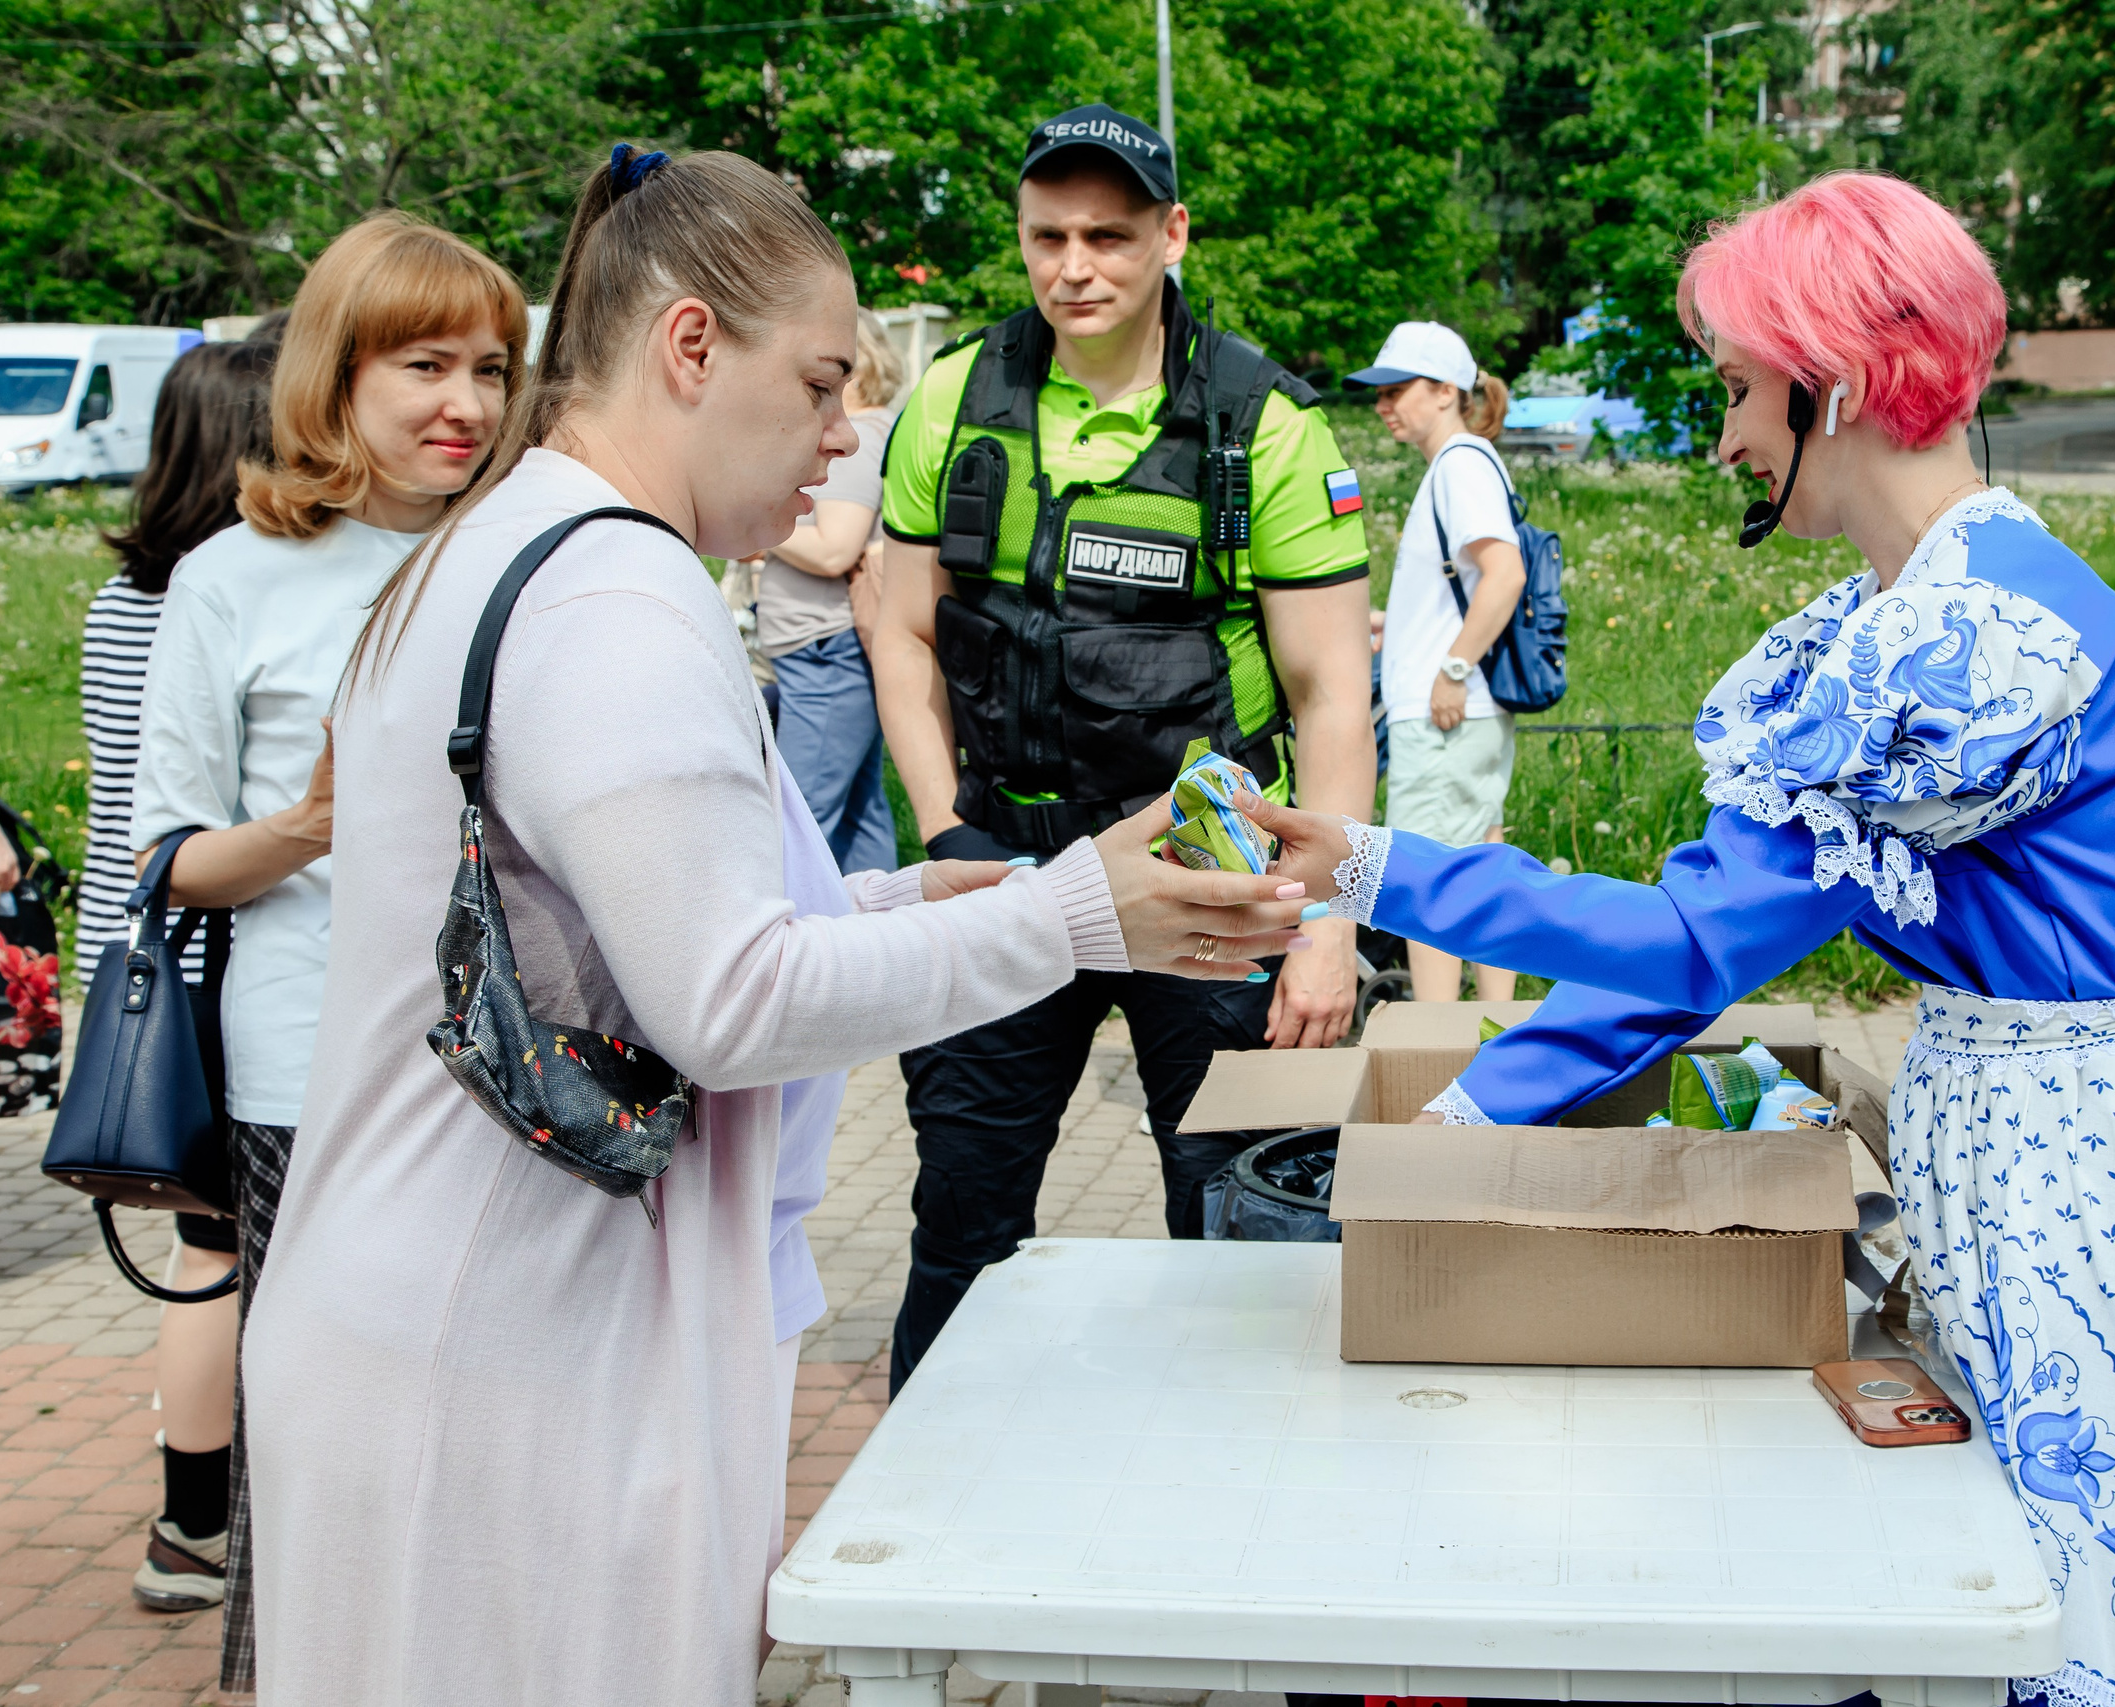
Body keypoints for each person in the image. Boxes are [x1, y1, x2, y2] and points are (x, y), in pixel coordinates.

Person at [1246, 171, 2115, 1707]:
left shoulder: (1962, 642)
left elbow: (1681, 944)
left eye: (1738, 388)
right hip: (2097, 1147)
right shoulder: (1913, 624)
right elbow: (1709, 937)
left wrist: (1379, 869)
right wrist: (1469, 1118)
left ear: (1838, 382)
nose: (1725, 434)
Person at [241, 144, 1309, 1707]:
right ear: (689, 347)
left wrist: (911, 898)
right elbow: (727, 997)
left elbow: (646, 917)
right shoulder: (616, 593)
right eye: (819, 384)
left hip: (461, 1316)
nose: (841, 442)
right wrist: (1078, 912)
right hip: (508, 1353)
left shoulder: (528, 540)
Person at [870, 104, 1373, 1388]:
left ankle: (1236, 1515)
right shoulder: (952, 399)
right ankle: (930, 1520)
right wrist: (945, 831)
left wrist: (1324, 928)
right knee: (963, 1220)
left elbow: (1329, 695)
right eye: (1048, 236)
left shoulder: (1263, 423)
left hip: (1208, 869)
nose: (1073, 267)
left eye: (1108, 235)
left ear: (1172, 235)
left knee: (1234, 1221)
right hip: (1010, 865)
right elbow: (902, 631)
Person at [129, 216, 526, 1695]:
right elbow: (169, 857)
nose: (465, 404)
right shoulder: (234, 577)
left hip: (511, 1070)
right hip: (309, 1079)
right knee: (324, 1434)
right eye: (423, 364)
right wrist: (308, 822)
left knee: (485, 1413)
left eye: (490, 368)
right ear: (333, 375)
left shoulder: (522, 554)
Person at [84, 327, 284, 1624]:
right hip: (205, 959)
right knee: (225, 1252)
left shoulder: (120, 599)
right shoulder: (222, 596)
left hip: (126, 956)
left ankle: (187, 1516)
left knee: (203, 1244)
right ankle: (209, 1520)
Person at [1348, 320, 1524, 1002]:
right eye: (1379, 392)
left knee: (1429, 882)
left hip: (1445, 711)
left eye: (1398, 389)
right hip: (1459, 708)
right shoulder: (1462, 463)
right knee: (1481, 870)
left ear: (1446, 390)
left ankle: (1440, 1040)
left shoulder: (1459, 464)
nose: (1384, 404)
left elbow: (1503, 574)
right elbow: (1474, 588)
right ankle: (1492, 1029)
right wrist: (1408, 631)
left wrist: (1450, 668)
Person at [755, 303, 906, 874]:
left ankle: (791, 947)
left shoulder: (857, 440)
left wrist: (764, 529)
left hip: (826, 651)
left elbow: (835, 548)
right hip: (835, 651)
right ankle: (884, 939)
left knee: (801, 825)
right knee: (861, 814)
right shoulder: (879, 432)